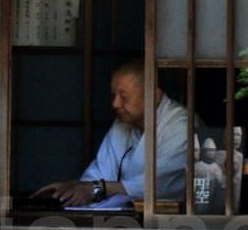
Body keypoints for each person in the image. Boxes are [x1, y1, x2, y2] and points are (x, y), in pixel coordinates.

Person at [31, 59, 188, 207]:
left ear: (154, 95)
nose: (115, 104)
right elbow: (101, 171)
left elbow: (161, 184)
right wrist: (71, 190)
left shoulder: (182, 125)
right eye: (113, 95)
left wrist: (98, 188)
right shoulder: (123, 123)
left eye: (124, 96)